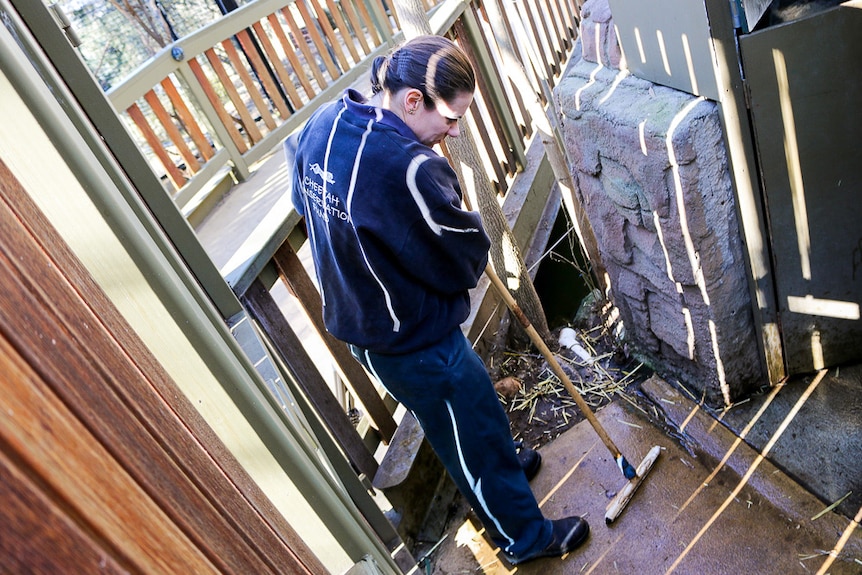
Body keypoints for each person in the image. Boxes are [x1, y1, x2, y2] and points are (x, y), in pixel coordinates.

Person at [287, 34, 589, 565]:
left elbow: (301, 198)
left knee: (470, 406)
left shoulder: (324, 123)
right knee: (464, 435)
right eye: (450, 118)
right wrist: (466, 245)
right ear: (410, 101)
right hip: (411, 337)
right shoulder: (412, 168)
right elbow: (461, 257)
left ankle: (504, 464)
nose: (453, 132)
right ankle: (522, 537)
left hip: (363, 322)